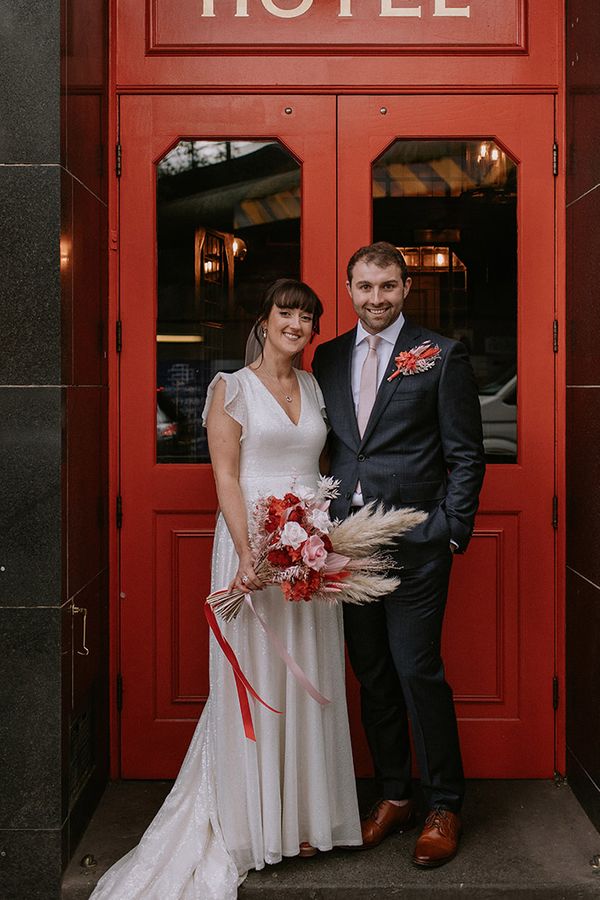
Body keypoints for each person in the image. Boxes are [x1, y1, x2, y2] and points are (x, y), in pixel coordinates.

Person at [90, 280, 362, 900]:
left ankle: (301, 822)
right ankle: (253, 825)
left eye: (307, 316)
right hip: (251, 548)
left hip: (308, 551)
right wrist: (248, 554)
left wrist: (316, 537)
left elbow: (320, 471)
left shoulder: (316, 386)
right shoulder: (229, 388)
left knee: (308, 680)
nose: (296, 323)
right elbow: (226, 474)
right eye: (285, 313)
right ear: (263, 321)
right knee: (261, 677)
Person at [312, 242, 485, 868]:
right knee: (374, 674)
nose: (375, 298)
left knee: (416, 669)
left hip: (416, 542)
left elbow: (466, 454)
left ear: (405, 288)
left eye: (387, 286)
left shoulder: (440, 355)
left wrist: (451, 530)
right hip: (345, 548)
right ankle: (394, 794)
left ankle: (444, 802)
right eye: (363, 287)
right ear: (350, 289)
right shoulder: (327, 357)